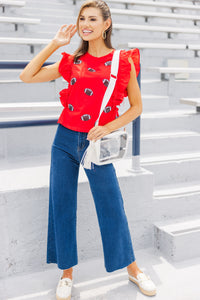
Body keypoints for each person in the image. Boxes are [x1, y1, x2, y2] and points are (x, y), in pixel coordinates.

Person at [19, 0, 157, 298]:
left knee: (111, 206)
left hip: (97, 142)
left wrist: (108, 126)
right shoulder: (72, 61)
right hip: (65, 140)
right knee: (62, 205)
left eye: (93, 19)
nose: (86, 24)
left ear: (107, 24)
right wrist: (55, 43)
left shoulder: (123, 60)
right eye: (82, 18)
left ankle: (133, 269)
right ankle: (67, 273)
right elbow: (26, 76)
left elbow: (136, 107)